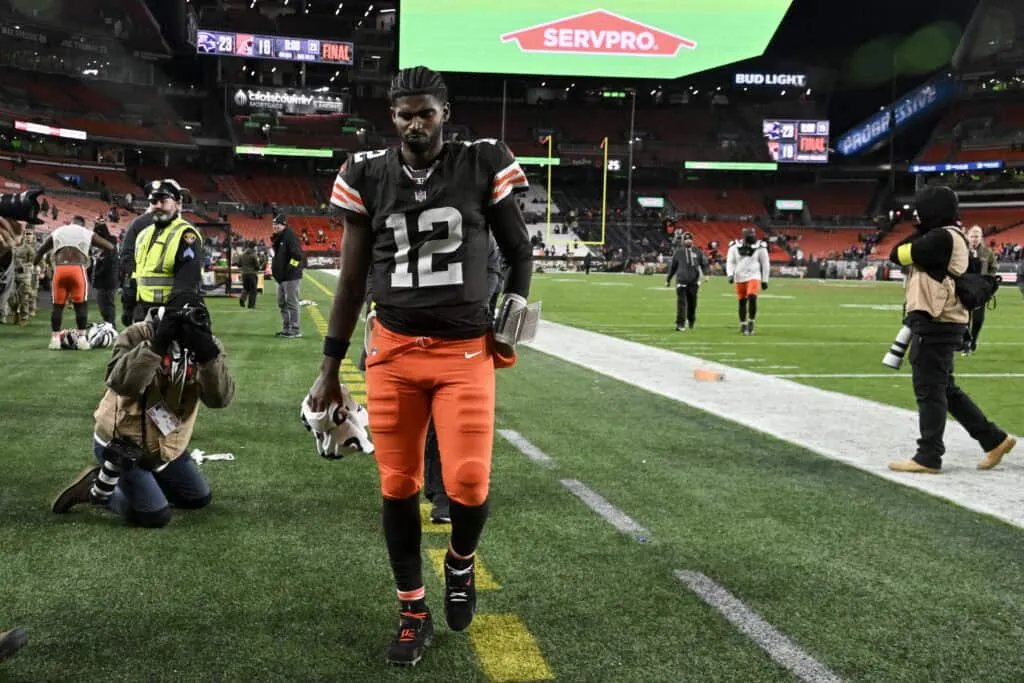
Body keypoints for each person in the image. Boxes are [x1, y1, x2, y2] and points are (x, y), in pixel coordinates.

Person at [307, 66, 534, 667]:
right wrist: (329, 367)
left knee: (467, 481)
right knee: (399, 484)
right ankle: (412, 608)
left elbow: (518, 249)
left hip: (465, 351)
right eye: (405, 113)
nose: (415, 123)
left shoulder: (483, 161)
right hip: (394, 351)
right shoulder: (367, 173)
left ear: (444, 113)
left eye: (425, 113)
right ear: (393, 117)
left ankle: (459, 564)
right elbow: (353, 279)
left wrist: (511, 312)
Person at [51, 291, 235, 526]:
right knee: (154, 515)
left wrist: (208, 356)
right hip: (124, 445)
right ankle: (97, 490)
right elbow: (122, 384)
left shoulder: (208, 344)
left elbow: (220, 400)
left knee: (197, 499)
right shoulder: (137, 334)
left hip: (168, 446)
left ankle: (144, 483)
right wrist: (156, 346)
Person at [887, 186, 1015, 474]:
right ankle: (993, 439)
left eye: (922, 209)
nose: (917, 215)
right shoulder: (949, 235)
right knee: (945, 388)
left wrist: (920, 229)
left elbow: (898, 254)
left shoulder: (941, 237)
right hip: (944, 318)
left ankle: (928, 455)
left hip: (936, 319)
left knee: (929, 389)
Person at [34, 220, 115, 349]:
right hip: (77, 269)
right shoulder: (85, 232)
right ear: (82, 224)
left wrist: (34, 265)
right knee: (80, 304)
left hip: (60, 270)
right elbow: (110, 246)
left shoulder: (58, 231)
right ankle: (82, 339)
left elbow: (40, 251)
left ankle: (55, 339)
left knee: (57, 306)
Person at [131, 180, 203, 323]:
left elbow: (187, 280)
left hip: (170, 312)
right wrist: (130, 302)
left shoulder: (186, 234)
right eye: (153, 201)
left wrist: (171, 313)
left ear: (177, 203)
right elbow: (138, 272)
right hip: (142, 311)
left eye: (163, 201)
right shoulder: (143, 234)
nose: (157, 205)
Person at [961, 226, 997, 356]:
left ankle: (973, 340)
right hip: (965, 288)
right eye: (972, 236)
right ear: (968, 237)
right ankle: (966, 341)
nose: (974, 239)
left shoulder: (987, 252)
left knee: (978, 319)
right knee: (963, 318)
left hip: (980, 290)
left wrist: (989, 281)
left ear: (981, 237)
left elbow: (993, 267)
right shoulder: (962, 251)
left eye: (977, 237)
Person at [726, 227, 769, 335]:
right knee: (742, 302)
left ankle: (751, 322)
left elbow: (765, 263)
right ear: (744, 235)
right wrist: (730, 274)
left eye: (753, 234)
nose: (751, 236)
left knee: (752, 296)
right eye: (749, 234)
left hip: (754, 275)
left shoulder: (760, 246)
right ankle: (743, 324)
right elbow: (730, 261)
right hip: (739, 276)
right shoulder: (735, 246)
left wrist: (765, 279)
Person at [119, 203, 156, 326]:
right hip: (159, 283)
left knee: (134, 317)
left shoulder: (137, 223)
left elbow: (126, 253)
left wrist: (133, 273)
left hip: (138, 278)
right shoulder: (179, 224)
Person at [665, 231, 709, 331]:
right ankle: (680, 324)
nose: (688, 241)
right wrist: (668, 279)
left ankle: (691, 320)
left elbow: (704, 264)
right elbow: (673, 267)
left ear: (692, 240)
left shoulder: (697, 251)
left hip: (693, 282)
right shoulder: (678, 252)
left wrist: (706, 274)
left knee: (692, 303)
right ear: (683, 241)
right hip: (681, 281)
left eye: (690, 239)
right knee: (681, 303)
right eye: (686, 239)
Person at [270, 214, 304, 337]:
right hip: (281, 278)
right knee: (281, 303)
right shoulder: (279, 237)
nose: (274, 226)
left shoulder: (290, 237)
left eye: (277, 224)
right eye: (273, 224)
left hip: (290, 277)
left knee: (291, 302)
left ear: (284, 225)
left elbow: (298, 256)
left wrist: (289, 269)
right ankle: (286, 328)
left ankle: (295, 329)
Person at [91, 219, 119, 326]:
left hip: (107, 282)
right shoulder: (108, 245)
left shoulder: (108, 246)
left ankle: (110, 327)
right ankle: (109, 325)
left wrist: (96, 275)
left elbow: (106, 264)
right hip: (106, 282)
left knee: (106, 306)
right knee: (105, 306)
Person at [237, 243, 260, 309]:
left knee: (246, 288)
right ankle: (251, 305)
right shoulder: (253, 255)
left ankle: (242, 299)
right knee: (253, 290)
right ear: (254, 247)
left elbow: (239, 264)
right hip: (252, 274)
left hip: (244, 274)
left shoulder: (242, 254)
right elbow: (257, 266)